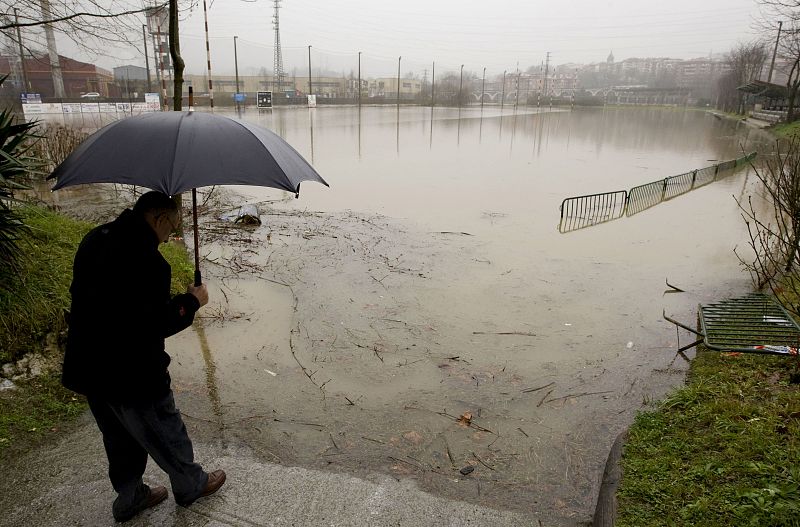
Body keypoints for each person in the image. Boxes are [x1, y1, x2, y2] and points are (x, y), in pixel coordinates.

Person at [62, 191, 226, 522]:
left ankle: (129, 496)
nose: (170, 236)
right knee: (164, 427)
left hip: (88, 363)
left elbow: (85, 296)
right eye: (172, 227)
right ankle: (190, 484)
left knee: (118, 435)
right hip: (131, 370)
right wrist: (192, 301)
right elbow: (154, 323)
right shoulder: (149, 261)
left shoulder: (95, 237)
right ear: (157, 218)